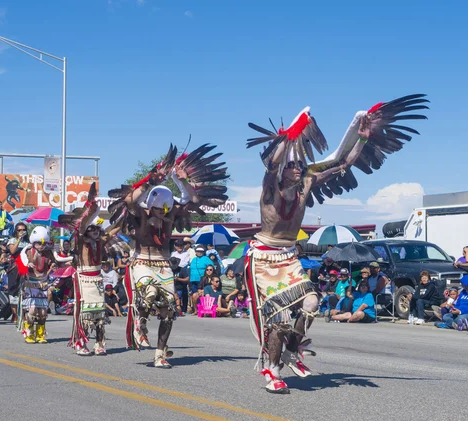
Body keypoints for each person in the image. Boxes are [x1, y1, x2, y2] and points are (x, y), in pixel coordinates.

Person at [244, 93, 428, 393]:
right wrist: (290, 138)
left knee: (313, 302)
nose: (297, 168)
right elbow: (271, 163)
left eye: (299, 165)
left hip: (288, 256)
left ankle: (292, 350)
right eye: (292, 165)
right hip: (264, 258)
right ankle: (272, 371)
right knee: (278, 319)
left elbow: (343, 163)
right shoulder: (270, 188)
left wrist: (364, 138)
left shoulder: (305, 184)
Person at [108, 143, 229, 368]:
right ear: (151, 206)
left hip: (163, 263)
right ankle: (140, 326)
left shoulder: (169, 213)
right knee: (148, 293)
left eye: (165, 209)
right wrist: (152, 180)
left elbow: (192, 200)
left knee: (167, 310)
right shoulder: (140, 213)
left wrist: (179, 179)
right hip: (142, 261)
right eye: (158, 209)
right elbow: (129, 200)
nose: (162, 214)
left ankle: (160, 353)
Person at [61, 183, 120, 355]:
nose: (94, 231)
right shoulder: (80, 241)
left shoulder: (101, 241)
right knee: (84, 314)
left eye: (97, 229)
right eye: (91, 229)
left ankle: (100, 344)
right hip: (84, 278)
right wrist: (91, 208)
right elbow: (81, 226)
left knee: (100, 313)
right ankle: (80, 343)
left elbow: (114, 230)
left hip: (97, 279)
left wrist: (127, 214)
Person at [15, 226, 56, 343]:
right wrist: (27, 265)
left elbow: (55, 263)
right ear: (34, 242)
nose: (41, 246)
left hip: (43, 284)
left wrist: (53, 265)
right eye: (38, 243)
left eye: (43, 243)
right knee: (32, 310)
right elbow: (20, 263)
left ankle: (40, 335)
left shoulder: (48, 253)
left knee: (43, 312)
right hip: (30, 284)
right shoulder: (27, 251)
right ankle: (29, 334)